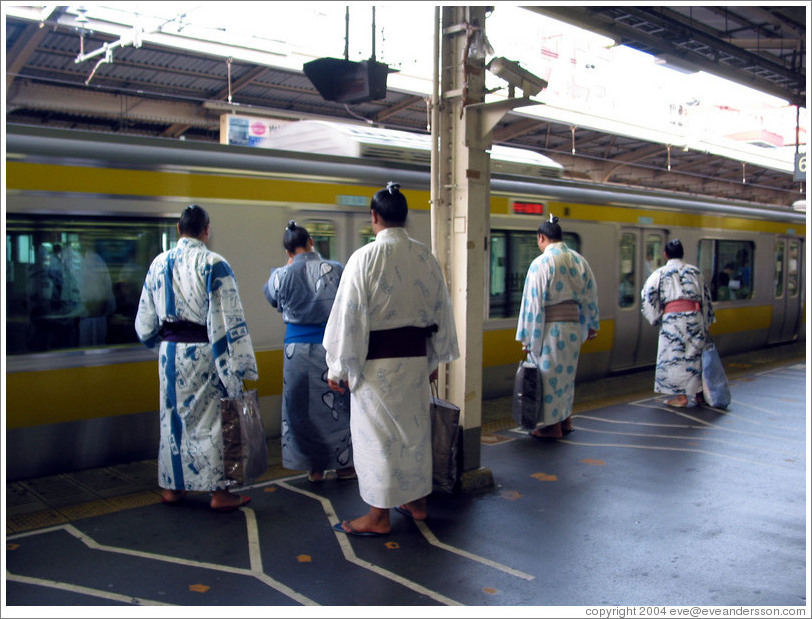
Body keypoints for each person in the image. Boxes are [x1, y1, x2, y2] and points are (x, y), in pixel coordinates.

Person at [323, 182, 459, 536]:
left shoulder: (364, 258)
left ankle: (378, 516)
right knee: (413, 435)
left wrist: (337, 368)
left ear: (374, 217)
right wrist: (432, 360)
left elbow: (350, 317)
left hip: (375, 368)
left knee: (378, 439)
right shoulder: (425, 257)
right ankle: (416, 502)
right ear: (405, 218)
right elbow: (440, 311)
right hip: (414, 362)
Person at [135, 204, 258, 512]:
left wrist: (160, 344)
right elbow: (230, 319)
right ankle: (219, 493)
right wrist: (239, 365)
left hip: (170, 354)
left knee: (173, 420)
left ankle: (172, 487)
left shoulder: (158, 263)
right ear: (207, 230)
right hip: (206, 353)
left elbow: (145, 321)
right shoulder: (214, 263)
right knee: (213, 421)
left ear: (179, 229)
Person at [263, 220, 354, 483]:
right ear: (310, 242)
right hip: (330, 348)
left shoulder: (279, 275)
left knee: (301, 408)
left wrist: (287, 267)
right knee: (337, 405)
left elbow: (272, 299)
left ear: (288, 251)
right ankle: (344, 465)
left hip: (296, 352)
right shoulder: (335, 269)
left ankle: (314, 468)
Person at [516, 214, 600, 440]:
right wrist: (591, 324)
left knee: (548, 377)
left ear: (542, 237)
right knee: (565, 378)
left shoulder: (541, 263)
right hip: (572, 329)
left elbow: (533, 304)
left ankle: (551, 427)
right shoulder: (579, 260)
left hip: (550, 329)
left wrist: (528, 339)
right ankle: (565, 419)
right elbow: (591, 295)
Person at [641, 238, 715, 407]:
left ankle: (681, 397)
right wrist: (706, 321)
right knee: (695, 355)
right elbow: (706, 297)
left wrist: (656, 317)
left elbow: (648, 296)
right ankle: (699, 394)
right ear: (683, 254)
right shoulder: (695, 272)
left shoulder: (659, 273)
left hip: (672, 321)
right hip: (695, 317)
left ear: (665, 254)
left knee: (674, 358)